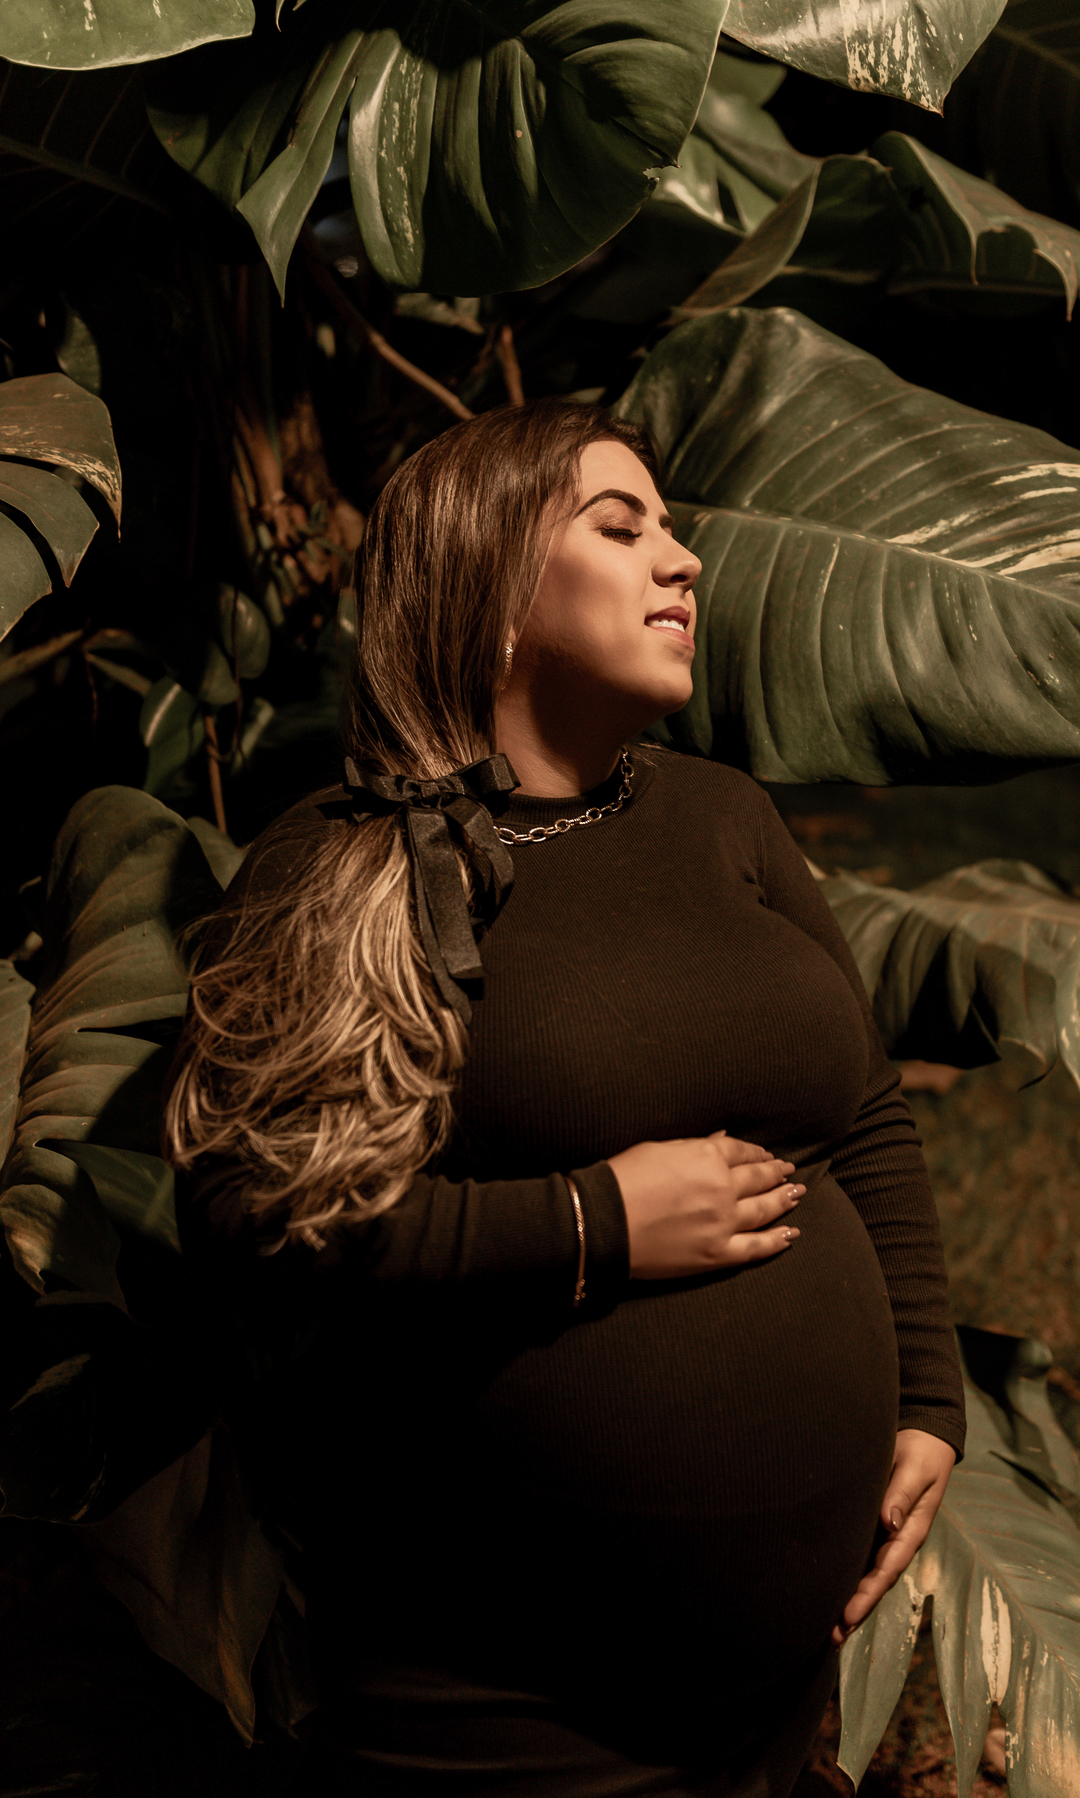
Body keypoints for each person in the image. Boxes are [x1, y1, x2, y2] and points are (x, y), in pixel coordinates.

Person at [164, 398, 965, 1797]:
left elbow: (867, 1109)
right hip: (496, 1705)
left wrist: (929, 1398)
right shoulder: (345, 866)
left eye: (673, 528)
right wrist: (594, 1224)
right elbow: (253, 1215)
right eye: (620, 525)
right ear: (490, 586)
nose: (684, 558)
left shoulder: (724, 818)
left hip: (772, 1700)